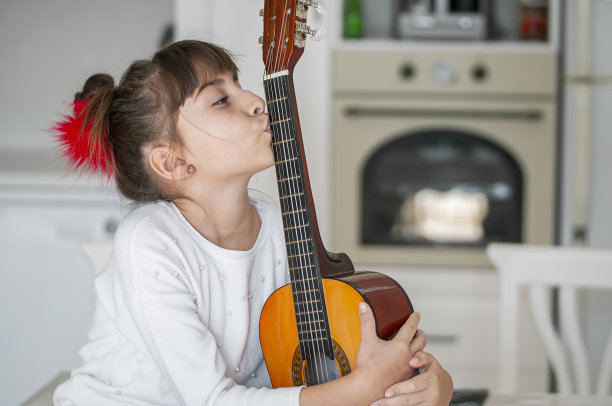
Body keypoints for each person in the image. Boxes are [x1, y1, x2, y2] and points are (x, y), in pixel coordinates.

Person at [51, 40, 453, 406]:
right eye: (221, 100)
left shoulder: (280, 228)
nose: (257, 101)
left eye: (238, 83)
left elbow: (314, 357)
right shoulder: (148, 242)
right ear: (173, 162)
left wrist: (422, 380)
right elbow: (212, 400)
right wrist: (360, 389)